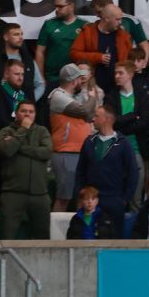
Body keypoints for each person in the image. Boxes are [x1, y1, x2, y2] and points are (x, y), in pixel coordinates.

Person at [75, 103, 139, 233]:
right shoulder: (89, 142)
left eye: (97, 116)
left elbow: (133, 172)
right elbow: (80, 171)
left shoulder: (122, 143)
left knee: (115, 239)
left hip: (114, 200)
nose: (93, 119)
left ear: (107, 119)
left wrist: (124, 199)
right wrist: (80, 196)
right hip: (91, 201)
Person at [47, 63, 101, 211]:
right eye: (79, 78)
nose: (81, 81)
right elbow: (84, 112)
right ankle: (56, 233)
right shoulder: (58, 96)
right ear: (73, 80)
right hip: (65, 152)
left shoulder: (73, 96)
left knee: (82, 197)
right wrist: (92, 98)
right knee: (64, 197)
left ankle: (78, 232)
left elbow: (90, 116)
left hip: (79, 152)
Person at [0, 99, 51, 240]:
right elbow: (7, 150)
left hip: (39, 193)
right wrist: (23, 130)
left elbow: (47, 152)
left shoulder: (42, 131)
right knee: (7, 236)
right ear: (16, 113)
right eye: (23, 111)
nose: (27, 115)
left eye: (31, 111)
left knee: (43, 237)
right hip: (13, 192)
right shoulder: (6, 131)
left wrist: (20, 148)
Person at [70, 3, 134, 97]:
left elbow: (130, 60)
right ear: (107, 18)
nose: (120, 22)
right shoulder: (88, 32)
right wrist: (98, 57)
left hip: (117, 89)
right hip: (91, 88)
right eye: (117, 19)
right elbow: (74, 54)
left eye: (121, 19)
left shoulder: (124, 36)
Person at [35, 0, 85, 88]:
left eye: (60, 6)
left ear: (71, 6)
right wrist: (40, 78)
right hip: (51, 79)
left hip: (74, 79)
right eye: (55, 6)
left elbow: (87, 55)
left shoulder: (84, 26)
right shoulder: (49, 24)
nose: (56, 9)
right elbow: (39, 52)